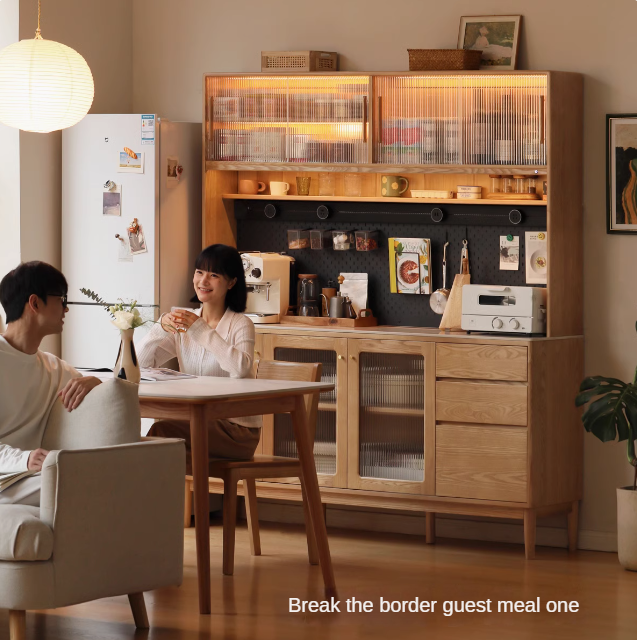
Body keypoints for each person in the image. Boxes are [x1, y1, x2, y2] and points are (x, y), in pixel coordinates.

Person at [138, 244, 261, 459]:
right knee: (149, 440)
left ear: (231, 282)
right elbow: (139, 365)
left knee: (160, 435)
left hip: (236, 431)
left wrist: (200, 330)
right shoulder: (186, 321)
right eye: (199, 272)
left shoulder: (241, 324)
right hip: (197, 421)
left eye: (214, 275)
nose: (203, 281)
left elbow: (240, 369)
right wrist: (159, 329)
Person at [0, 261, 102, 505]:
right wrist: (24, 460)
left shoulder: (53, 367)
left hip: (30, 478)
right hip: (10, 477)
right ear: (35, 303)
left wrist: (95, 381)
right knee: (74, 483)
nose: (66, 309)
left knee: (98, 478)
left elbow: (114, 391)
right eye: (62, 299)